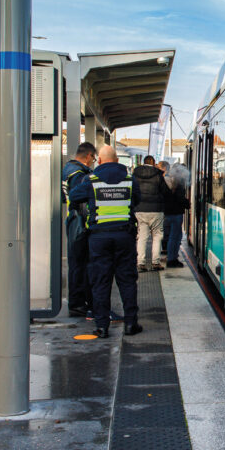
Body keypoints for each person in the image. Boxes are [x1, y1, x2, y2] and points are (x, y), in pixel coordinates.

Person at [69, 146, 141, 338]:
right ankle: (131, 323)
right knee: (127, 280)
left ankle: (102, 326)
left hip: (98, 238)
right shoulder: (129, 180)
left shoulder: (91, 180)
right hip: (124, 236)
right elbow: (137, 200)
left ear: (99, 161)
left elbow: (74, 196)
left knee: (100, 281)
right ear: (117, 160)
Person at [62, 142, 96, 317]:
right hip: (80, 221)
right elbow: (80, 199)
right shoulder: (79, 174)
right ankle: (77, 303)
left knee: (76, 263)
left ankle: (77, 301)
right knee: (80, 263)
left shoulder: (68, 170)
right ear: (89, 155)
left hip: (72, 219)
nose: (93, 161)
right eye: (93, 158)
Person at [132, 155, 170, 271]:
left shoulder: (135, 174)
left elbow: (133, 191)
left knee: (142, 236)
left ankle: (141, 263)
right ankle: (155, 262)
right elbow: (165, 191)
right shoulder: (158, 174)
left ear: (144, 163)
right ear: (153, 163)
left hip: (140, 209)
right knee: (157, 236)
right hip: (156, 210)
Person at [162, 163, 190, 267]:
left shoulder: (166, 180)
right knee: (176, 237)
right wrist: (187, 204)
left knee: (171, 236)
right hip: (176, 212)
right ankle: (172, 259)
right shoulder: (179, 183)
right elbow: (180, 198)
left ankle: (171, 257)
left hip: (167, 212)